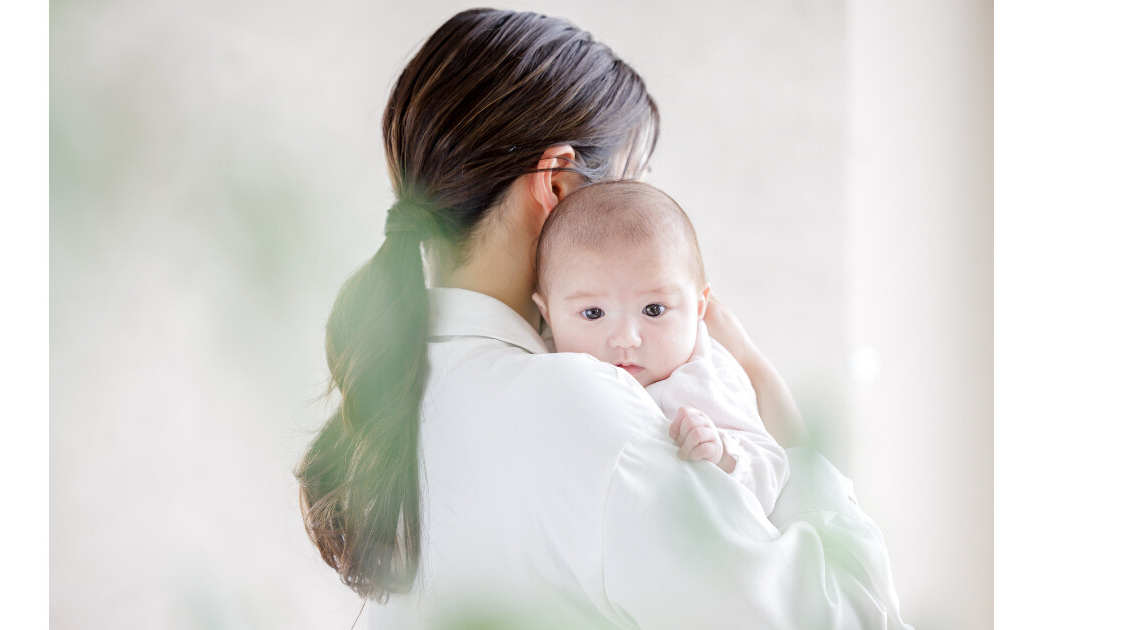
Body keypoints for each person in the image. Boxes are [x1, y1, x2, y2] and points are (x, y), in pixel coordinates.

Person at [296, 8, 911, 629]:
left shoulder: (399, 394)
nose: (636, 218)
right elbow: (852, 618)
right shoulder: (581, 410)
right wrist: (793, 441)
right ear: (558, 186)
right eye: (628, 185)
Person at [531, 180, 789, 516]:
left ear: (699, 308)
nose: (626, 338)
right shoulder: (542, 366)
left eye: (653, 310)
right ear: (547, 314)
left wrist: (723, 454)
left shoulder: (704, 378)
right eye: (593, 313)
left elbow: (773, 467)